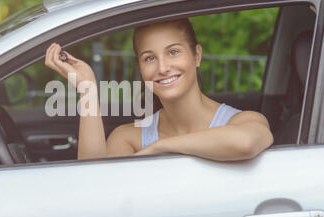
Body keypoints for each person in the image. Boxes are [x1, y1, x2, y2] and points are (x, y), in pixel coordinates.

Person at [44, 18, 273, 161]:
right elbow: (92, 187)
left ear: (197, 55)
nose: (163, 68)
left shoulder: (242, 121)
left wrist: (160, 149)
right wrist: (88, 89)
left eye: (173, 52)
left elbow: (246, 143)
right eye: (149, 58)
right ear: (140, 68)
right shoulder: (129, 138)